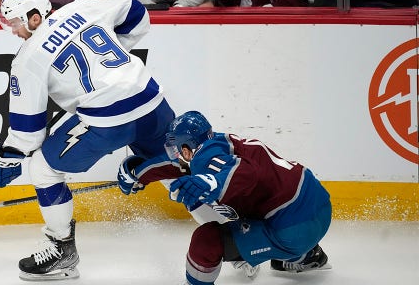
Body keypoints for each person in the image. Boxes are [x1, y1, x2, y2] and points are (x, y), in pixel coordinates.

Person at [0, 0, 176, 280]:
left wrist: (6, 157)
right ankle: (231, 232)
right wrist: (111, 59)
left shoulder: (27, 58)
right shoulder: (82, 8)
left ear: (34, 18)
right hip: (150, 98)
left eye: (15, 23)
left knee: (43, 168)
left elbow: (29, 135)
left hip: (109, 118)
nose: (13, 31)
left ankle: (61, 249)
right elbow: (136, 10)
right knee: (178, 167)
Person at [118, 111, 332, 284]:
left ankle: (295, 250)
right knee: (247, 206)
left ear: (187, 148)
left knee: (206, 241)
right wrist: (139, 173)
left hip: (294, 230)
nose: (174, 155)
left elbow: (245, 173)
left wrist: (211, 183)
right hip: (318, 205)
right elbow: (179, 165)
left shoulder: (205, 159)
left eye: (176, 150)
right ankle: (307, 256)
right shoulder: (217, 143)